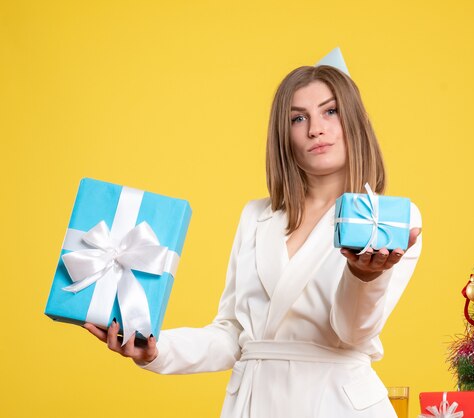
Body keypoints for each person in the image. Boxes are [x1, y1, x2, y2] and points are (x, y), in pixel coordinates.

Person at [85, 56, 423, 418]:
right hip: (253, 403)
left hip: (338, 405)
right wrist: (156, 348)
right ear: (284, 135)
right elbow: (232, 334)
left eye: (330, 112)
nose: (315, 129)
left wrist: (364, 277)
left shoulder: (389, 219)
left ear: (354, 121)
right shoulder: (256, 216)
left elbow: (353, 334)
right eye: (298, 118)